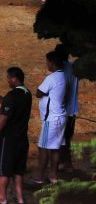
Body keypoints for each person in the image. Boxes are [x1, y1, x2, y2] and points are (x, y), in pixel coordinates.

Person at [0, 67, 31, 204]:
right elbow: (8, 103)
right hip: (22, 138)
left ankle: (2, 198)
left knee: (5, 170)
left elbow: (5, 116)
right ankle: (20, 198)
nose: (7, 80)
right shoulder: (27, 93)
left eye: (8, 78)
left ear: (14, 79)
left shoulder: (12, 95)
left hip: (9, 139)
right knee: (18, 170)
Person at [32, 51, 68, 184]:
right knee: (55, 148)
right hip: (61, 116)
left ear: (52, 63)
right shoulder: (65, 76)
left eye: (47, 62)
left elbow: (38, 93)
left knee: (43, 148)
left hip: (51, 119)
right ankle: (53, 176)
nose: (47, 64)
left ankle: (39, 177)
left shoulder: (52, 78)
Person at [54, 45, 80, 171]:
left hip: (64, 110)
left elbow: (65, 89)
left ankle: (65, 163)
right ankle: (66, 163)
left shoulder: (62, 70)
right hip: (72, 110)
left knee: (61, 139)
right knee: (66, 138)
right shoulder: (74, 68)